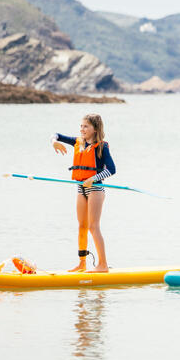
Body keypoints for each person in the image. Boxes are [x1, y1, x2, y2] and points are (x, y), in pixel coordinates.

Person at [52, 113, 116, 273]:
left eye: (86, 126)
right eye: (81, 126)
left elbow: (112, 169)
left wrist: (94, 178)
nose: (82, 129)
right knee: (82, 226)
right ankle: (82, 263)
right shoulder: (78, 142)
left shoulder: (102, 146)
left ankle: (103, 265)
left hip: (95, 190)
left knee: (94, 227)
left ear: (95, 129)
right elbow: (56, 135)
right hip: (81, 189)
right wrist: (54, 142)